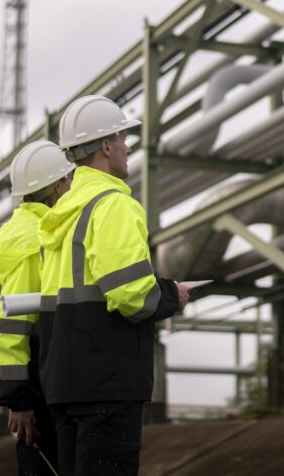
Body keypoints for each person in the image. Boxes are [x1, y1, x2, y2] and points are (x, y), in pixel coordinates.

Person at [39, 95, 191, 475]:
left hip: (65, 384)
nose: (127, 147)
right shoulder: (113, 205)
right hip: (107, 383)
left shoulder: (62, 215)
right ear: (106, 146)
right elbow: (130, 294)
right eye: (123, 138)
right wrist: (173, 295)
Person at [0, 140, 75, 476]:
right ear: (53, 187)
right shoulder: (33, 240)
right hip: (37, 390)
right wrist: (18, 401)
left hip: (44, 380)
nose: (70, 186)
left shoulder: (39, 229)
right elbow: (10, 327)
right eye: (66, 181)